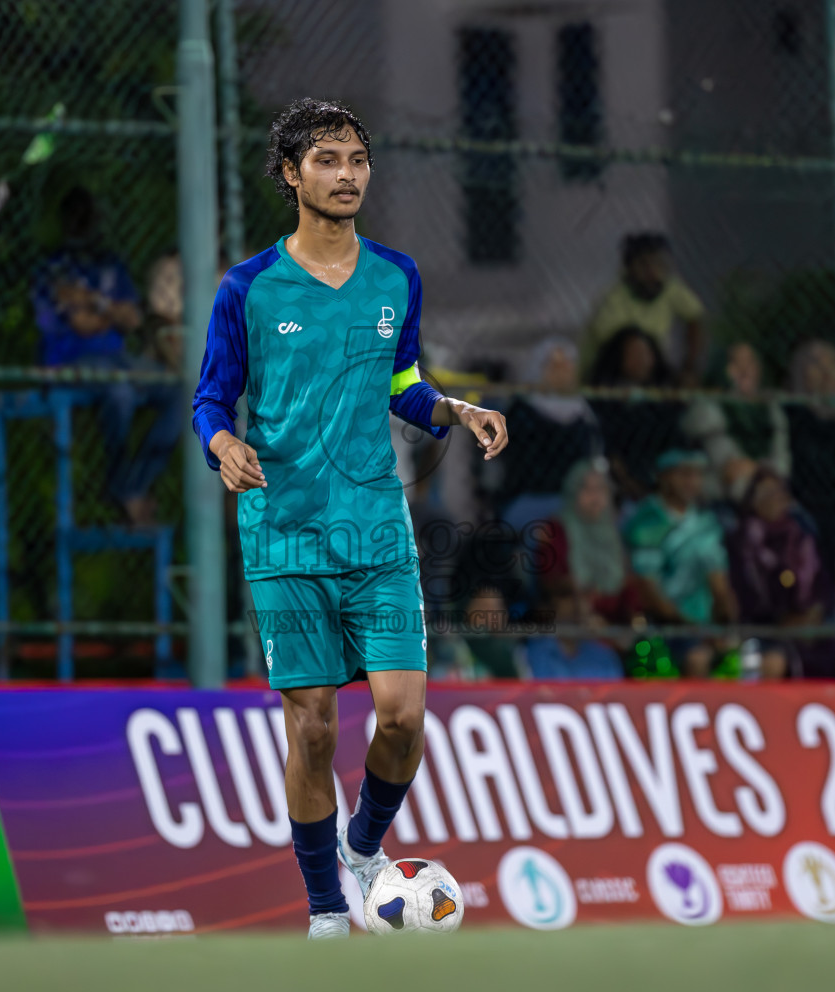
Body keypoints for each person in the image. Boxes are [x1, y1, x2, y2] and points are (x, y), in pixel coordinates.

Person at [190, 98, 508, 940]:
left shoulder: (395, 274)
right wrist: (222, 444)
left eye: (357, 159)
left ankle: (363, 847)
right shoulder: (248, 288)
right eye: (327, 160)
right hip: (285, 532)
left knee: (404, 716)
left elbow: (400, 383)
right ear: (292, 175)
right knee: (315, 724)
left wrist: (454, 409)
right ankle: (327, 906)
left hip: (377, 531)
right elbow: (211, 397)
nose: (347, 174)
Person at [32, 187, 182, 526]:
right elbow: (81, 325)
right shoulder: (55, 267)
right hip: (71, 361)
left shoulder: (110, 264)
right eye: (79, 218)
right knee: (120, 392)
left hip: (119, 359)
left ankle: (134, 484)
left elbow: (133, 318)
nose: (87, 225)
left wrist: (94, 302)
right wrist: (108, 312)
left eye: (91, 217)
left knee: (183, 394)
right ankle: (119, 488)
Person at [624, 449, 739, 677]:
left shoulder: (707, 523)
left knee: (743, 655)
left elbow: (719, 582)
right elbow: (649, 592)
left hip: (706, 626)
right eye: (684, 474)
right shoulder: (646, 522)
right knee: (698, 658)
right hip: (662, 627)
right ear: (663, 477)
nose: (692, 482)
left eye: (698, 475)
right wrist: (695, 630)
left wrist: (727, 622)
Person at [726, 470, 830, 679]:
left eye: (778, 492)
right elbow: (745, 593)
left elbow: (820, 584)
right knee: (773, 661)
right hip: (760, 628)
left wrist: (811, 613)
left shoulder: (801, 537)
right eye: (765, 493)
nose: (774, 499)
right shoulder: (742, 541)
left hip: (805, 620)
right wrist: (783, 619)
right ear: (752, 500)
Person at [496, 336, 602, 531]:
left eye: (567, 366)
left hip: (579, 499)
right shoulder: (522, 411)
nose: (562, 373)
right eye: (554, 366)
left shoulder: (585, 413)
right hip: (532, 497)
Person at [539, 459, 661, 626]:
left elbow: (626, 581)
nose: (595, 498)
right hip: (577, 616)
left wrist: (635, 616)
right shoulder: (556, 530)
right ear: (573, 493)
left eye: (601, 490)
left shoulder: (612, 530)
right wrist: (579, 589)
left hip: (615, 617)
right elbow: (551, 581)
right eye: (587, 490)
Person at [579, 232, 706, 384]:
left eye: (660, 264)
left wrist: (690, 366)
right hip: (608, 377)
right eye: (644, 264)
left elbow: (696, 317)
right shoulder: (613, 298)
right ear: (629, 268)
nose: (653, 272)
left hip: (650, 374)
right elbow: (630, 358)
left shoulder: (668, 288)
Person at [681, 342, 791, 504]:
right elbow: (731, 471)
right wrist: (766, 472)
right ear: (722, 369)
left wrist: (756, 469)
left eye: (750, 363)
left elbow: (783, 464)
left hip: (769, 497)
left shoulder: (771, 409)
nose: (745, 371)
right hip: (720, 499)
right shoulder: (707, 408)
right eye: (736, 364)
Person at [588, 325, 684, 503]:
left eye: (646, 353)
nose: (642, 360)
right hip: (620, 480)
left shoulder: (665, 399)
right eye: (634, 354)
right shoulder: (603, 399)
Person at [783, 340, 835, 556]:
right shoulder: (792, 415)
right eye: (816, 366)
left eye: (831, 366)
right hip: (808, 502)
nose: (826, 374)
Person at [523, 594, 624, 681]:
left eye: (577, 614)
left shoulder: (604, 655)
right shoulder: (535, 652)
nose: (577, 607)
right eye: (569, 615)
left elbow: (613, 693)